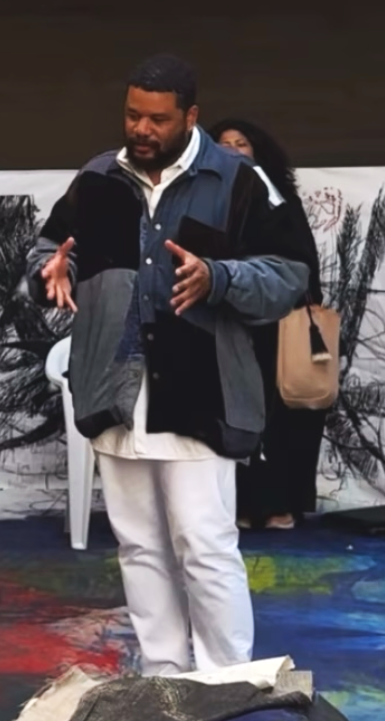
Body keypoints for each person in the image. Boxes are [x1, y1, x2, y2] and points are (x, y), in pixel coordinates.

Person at [27, 55, 308, 676]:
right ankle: (163, 675)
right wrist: (50, 271)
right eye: (133, 115)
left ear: (190, 116)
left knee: (205, 545)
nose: (142, 129)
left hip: (202, 392)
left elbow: (291, 275)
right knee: (138, 546)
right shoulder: (97, 177)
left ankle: (225, 681)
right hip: (114, 389)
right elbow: (50, 248)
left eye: (157, 119)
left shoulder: (240, 180)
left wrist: (219, 277)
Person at [210, 118, 327, 529]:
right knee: (236, 416)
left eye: (241, 143)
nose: (232, 151)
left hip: (283, 325)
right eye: (223, 144)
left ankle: (283, 504)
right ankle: (242, 504)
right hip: (230, 326)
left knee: (289, 418)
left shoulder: (280, 198)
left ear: (258, 152)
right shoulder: (205, 199)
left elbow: (303, 263)